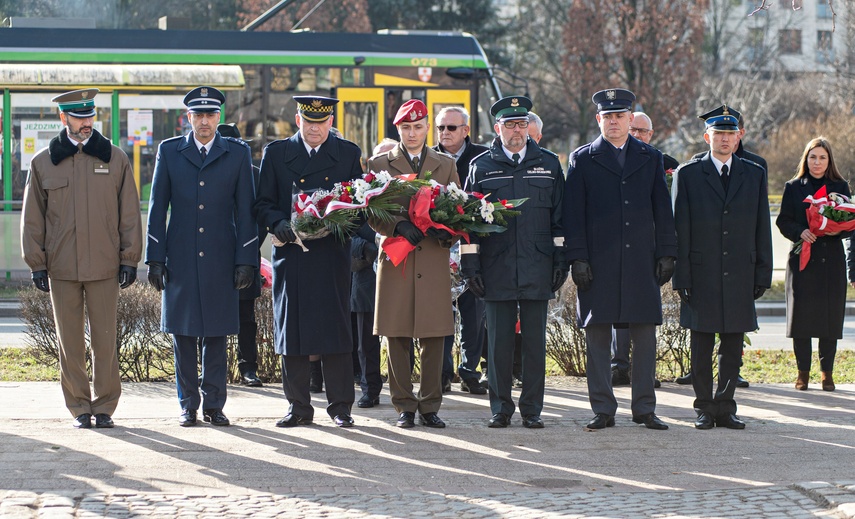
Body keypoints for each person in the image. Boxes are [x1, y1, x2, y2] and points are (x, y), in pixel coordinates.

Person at [21, 88, 142, 429]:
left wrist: (129, 258)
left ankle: (104, 407)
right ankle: (79, 408)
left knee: (105, 339)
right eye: (79, 116)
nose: (87, 122)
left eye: (90, 115)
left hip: (105, 265)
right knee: (70, 343)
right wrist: (37, 263)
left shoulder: (114, 158)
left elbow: (129, 213)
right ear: (64, 118)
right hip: (62, 267)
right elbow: (33, 217)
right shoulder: (43, 161)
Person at [564, 88, 676, 432]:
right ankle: (603, 408)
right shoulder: (582, 159)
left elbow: (662, 209)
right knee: (597, 335)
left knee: (644, 334)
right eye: (607, 116)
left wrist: (667, 253)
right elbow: (573, 214)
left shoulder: (650, 156)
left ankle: (644, 408)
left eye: (620, 116)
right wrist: (577, 258)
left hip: (641, 259)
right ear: (599, 120)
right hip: (599, 261)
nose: (613, 122)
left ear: (631, 119)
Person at [146, 86, 257, 427]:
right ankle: (187, 404)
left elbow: (246, 211)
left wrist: (246, 259)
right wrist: (155, 257)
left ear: (218, 117)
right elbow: (157, 207)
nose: (205, 121)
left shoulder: (236, 153)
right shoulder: (170, 151)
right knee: (183, 334)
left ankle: (215, 405)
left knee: (216, 334)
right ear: (188, 118)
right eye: (198, 115)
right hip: (180, 255)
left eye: (210, 115)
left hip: (222, 256)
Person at [254, 95, 361, 428]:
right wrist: (277, 222)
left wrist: (343, 224)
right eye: (309, 121)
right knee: (293, 332)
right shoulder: (276, 153)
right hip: (292, 253)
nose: (315, 129)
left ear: (330, 122)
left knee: (336, 331)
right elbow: (262, 203)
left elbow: (358, 202)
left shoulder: (347, 154)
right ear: (297, 120)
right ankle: (298, 406)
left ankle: (341, 406)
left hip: (332, 254)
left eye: (322, 122)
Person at [463, 95, 568, 429]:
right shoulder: (481, 166)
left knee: (536, 343)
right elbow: (468, 223)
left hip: (538, 264)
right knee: (498, 344)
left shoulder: (549, 164)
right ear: (498, 128)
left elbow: (560, 218)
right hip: (496, 266)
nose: (517, 130)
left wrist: (560, 260)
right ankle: (501, 408)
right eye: (510, 124)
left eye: (522, 124)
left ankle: (533, 409)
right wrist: (470, 266)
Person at [672, 104, 772, 430]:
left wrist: (762, 272)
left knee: (732, 346)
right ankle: (703, 408)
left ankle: (726, 407)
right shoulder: (688, 174)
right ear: (707, 137)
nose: (725, 139)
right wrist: (681, 275)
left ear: (739, 136)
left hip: (741, 271)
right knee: (701, 345)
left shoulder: (754, 173)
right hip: (701, 274)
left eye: (731, 133)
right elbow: (680, 230)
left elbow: (761, 228)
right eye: (719, 133)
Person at [368, 98, 459, 429]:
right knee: (397, 335)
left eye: (418, 127)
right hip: (397, 257)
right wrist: (395, 226)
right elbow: (371, 209)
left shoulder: (445, 164)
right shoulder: (379, 164)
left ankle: (431, 404)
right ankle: (404, 406)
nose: (412, 133)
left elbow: (458, 207)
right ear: (398, 130)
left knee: (435, 335)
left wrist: (445, 229)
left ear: (427, 128)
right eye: (406, 128)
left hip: (432, 256)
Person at [776, 137, 849, 392]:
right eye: (812, 157)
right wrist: (801, 231)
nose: (817, 162)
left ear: (829, 161)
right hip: (803, 260)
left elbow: (849, 222)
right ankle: (802, 374)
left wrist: (834, 230)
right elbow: (783, 221)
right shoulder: (794, 186)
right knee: (802, 320)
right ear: (805, 159)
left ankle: (827, 373)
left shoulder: (840, 186)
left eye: (822, 157)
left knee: (830, 319)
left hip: (831, 262)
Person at [610, 112, 671, 388]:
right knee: (616, 314)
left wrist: (666, 251)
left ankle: (644, 373)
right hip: (615, 248)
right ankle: (618, 365)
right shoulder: (608, 156)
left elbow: (665, 210)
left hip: (646, 250)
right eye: (633, 129)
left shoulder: (659, 161)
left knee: (643, 317)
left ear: (651, 133)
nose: (637, 134)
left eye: (642, 131)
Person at [432, 106, 490, 395]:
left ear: (466, 130)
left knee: (474, 314)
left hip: (473, 246)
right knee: (441, 314)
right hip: (438, 247)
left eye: (451, 128)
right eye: (440, 127)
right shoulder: (429, 157)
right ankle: (442, 374)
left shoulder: (483, 156)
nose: (444, 133)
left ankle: (470, 373)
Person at [217, 123, 264, 388]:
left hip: (246, 256)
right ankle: (214, 367)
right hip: (215, 256)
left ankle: (249, 368)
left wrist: (250, 248)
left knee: (246, 317)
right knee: (212, 316)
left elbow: (261, 217)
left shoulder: (254, 174)